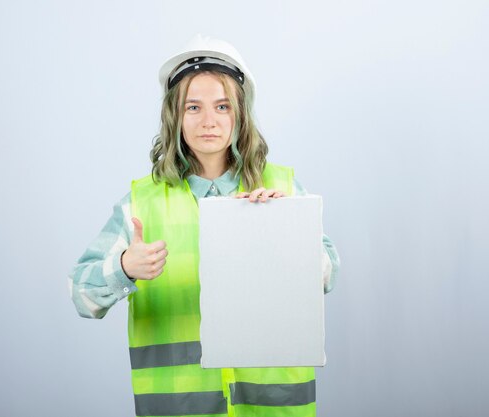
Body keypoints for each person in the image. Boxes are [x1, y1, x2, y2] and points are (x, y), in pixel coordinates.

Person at [69, 34, 340, 417]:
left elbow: (328, 276)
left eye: (223, 106)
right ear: (174, 117)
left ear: (240, 115)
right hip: (181, 407)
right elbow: (81, 295)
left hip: (274, 408)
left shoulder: (282, 189)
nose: (208, 121)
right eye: (193, 107)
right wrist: (125, 267)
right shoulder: (140, 204)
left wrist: (287, 232)